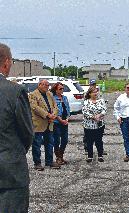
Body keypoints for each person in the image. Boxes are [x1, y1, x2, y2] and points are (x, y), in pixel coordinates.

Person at [0, 43, 33, 212]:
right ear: (6, 62)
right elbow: (27, 133)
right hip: (9, 173)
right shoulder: (14, 92)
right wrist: (14, 153)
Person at [29, 79, 60, 170]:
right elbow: (35, 108)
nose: (47, 86)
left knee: (50, 143)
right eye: (45, 85)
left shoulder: (49, 94)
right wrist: (47, 115)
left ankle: (49, 162)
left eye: (48, 85)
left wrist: (53, 115)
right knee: (37, 144)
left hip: (49, 123)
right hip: (38, 123)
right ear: (39, 85)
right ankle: (37, 163)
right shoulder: (33, 95)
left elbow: (55, 106)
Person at [82, 85, 107, 163]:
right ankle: (90, 156)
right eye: (94, 92)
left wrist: (99, 115)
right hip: (89, 125)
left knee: (99, 140)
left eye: (96, 92)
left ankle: (100, 155)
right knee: (89, 141)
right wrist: (93, 117)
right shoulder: (86, 102)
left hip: (99, 125)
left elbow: (104, 110)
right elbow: (85, 112)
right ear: (89, 93)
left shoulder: (101, 101)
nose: (95, 93)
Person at [51, 82, 71, 165]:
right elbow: (54, 111)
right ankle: (58, 157)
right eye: (60, 89)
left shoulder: (65, 98)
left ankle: (61, 155)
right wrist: (60, 120)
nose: (62, 90)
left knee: (65, 140)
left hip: (64, 122)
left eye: (63, 88)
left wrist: (67, 119)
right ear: (56, 90)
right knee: (56, 141)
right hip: (57, 123)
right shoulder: (53, 98)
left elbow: (68, 109)